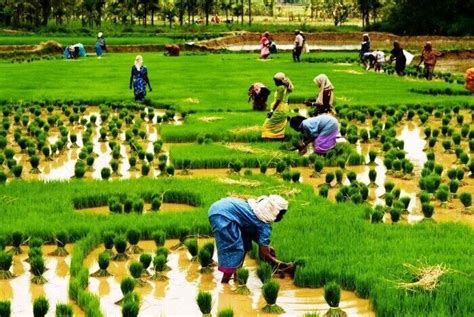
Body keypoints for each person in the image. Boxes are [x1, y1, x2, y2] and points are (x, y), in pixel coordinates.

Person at [208, 195, 295, 283]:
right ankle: (224, 284)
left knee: (244, 244)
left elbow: (252, 233)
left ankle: (238, 277)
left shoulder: (255, 210)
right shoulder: (264, 225)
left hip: (218, 208)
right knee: (236, 249)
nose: (282, 217)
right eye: (281, 214)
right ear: (274, 211)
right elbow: (263, 255)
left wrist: (266, 247)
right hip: (223, 215)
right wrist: (282, 265)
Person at [262, 72, 294, 139]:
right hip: (284, 108)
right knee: (279, 126)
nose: (275, 83)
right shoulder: (286, 87)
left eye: (276, 81)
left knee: (266, 126)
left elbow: (278, 100)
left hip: (279, 108)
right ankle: (278, 138)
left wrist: (271, 111)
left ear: (280, 81)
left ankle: (268, 140)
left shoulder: (280, 88)